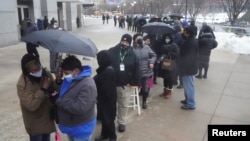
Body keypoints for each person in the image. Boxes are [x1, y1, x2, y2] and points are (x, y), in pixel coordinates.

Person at [54, 55, 97, 141]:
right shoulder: (72, 78)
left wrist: (58, 101)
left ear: (76, 70)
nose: (65, 76)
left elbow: (80, 107)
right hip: (71, 125)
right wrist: (58, 81)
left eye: (66, 73)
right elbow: (65, 92)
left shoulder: (87, 85)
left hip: (81, 128)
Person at [16, 54, 57, 141]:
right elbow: (31, 105)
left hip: (47, 118)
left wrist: (58, 80)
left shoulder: (46, 74)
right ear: (27, 71)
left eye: (38, 68)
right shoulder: (22, 84)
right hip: (35, 123)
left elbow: (54, 88)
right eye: (34, 71)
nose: (38, 72)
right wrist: (43, 89)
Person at [108, 34, 140, 133]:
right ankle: (110, 121)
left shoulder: (133, 55)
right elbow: (105, 64)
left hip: (125, 85)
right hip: (112, 84)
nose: (124, 43)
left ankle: (121, 122)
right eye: (123, 41)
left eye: (126, 42)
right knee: (111, 104)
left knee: (123, 105)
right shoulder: (112, 51)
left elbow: (137, 70)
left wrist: (133, 82)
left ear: (130, 44)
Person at [94, 50, 117, 141]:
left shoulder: (108, 71)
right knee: (104, 118)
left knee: (108, 120)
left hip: (107, 100)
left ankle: (112, 137)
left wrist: (99, 99)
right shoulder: (106, 68)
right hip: (104, 100)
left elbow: (106, 89)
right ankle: (104, 134)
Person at [132, 33, 156, 109]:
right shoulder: (132, 49)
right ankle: (135, 102)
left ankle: (144, 102)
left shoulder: (147, 47)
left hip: (146, 70)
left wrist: (151, 62)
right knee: (136, 87)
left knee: (145, 87)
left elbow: (154, 55)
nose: (139, 39)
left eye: (140, 38)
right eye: (137, 38)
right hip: (136, 71)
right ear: (135, 40)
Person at [179, 26, 199, 110]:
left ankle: (191, 104)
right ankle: (187, 99)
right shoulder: (191, 41)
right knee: (187, 86)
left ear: (188, 33)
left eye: (185, 31)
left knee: (189, 86)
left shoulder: (190, 43)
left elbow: (188, 57)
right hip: (189, 68)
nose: (183, 33)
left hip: (188, 69)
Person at [157, 34, 179, 99]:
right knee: (165, 78)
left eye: (168, 38)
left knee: (170, 78)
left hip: (171, 64)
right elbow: (160, 52)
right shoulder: (163, 44)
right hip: (163, 63)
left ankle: (169, 91)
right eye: (166, 38)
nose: (167, 39)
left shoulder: (174, 45)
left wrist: (170, 54)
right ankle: (165, 91)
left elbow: (177, 54)